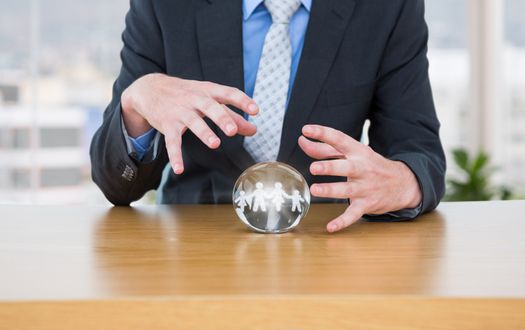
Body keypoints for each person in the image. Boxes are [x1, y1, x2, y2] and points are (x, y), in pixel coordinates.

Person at [90, 0, 446, 232]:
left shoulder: (387, 8)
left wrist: (405, 181)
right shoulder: (165, 6)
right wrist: (135, 105)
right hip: (192, 249)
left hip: (327, 246)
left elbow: (420, 152)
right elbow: (118, 185)